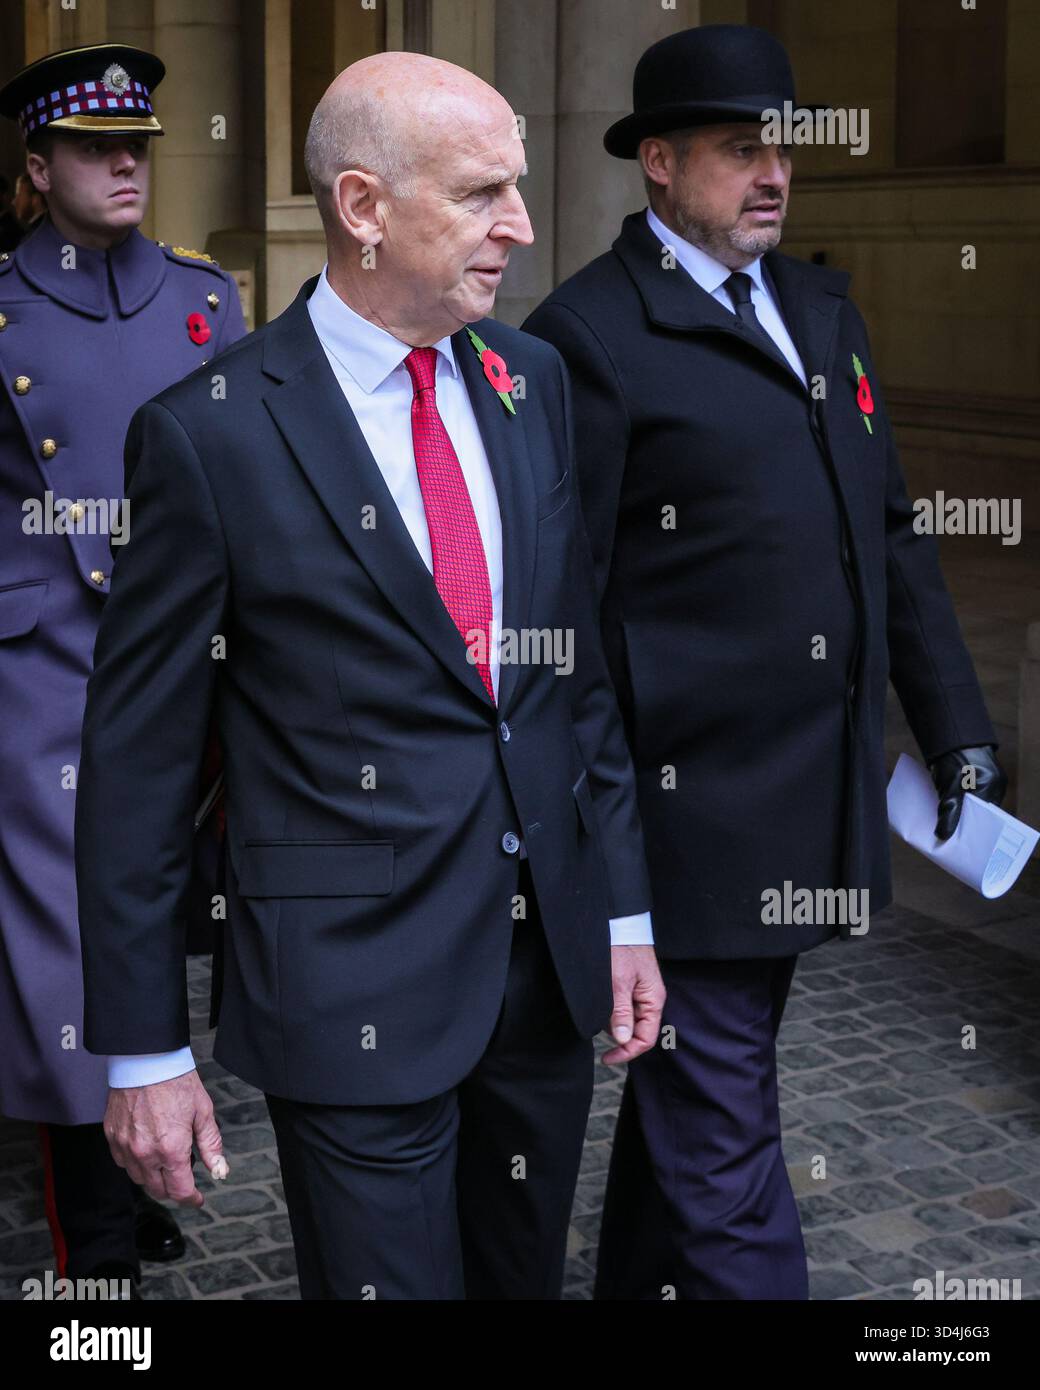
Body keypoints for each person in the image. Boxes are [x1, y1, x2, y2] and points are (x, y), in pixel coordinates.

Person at [74, 51, 664, 1301]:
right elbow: (136, 767)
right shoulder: (209, 431)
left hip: (541, 976)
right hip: (344, 980)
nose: (520, 224)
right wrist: (140, 1050)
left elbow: (572, 677)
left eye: (515, 186)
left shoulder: (529, 381)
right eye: (480, 192)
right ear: (362, 207)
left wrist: (618, 911)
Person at [523, 23, 1007, 1300]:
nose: (773, 174)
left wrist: (954, 726)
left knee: (694, 1097)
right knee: (724, 1143)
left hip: (807, 803)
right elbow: (567, 614)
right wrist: (605, 849)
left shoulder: (818, 308)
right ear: (659, 162)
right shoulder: (588, 334)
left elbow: (887, 535)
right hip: (685, 830)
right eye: (740, 150)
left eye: (780, 149)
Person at [0, 43, 246, 1298]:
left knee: (171, 913)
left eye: (137, 145)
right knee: (66, 950)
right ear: (38, 167)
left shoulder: (205, 299)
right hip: (45, 664)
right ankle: (93, 1272)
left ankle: (137, 1153)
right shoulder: (1, 307)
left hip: (195, 655)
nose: (124, 164)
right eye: (94, 147)